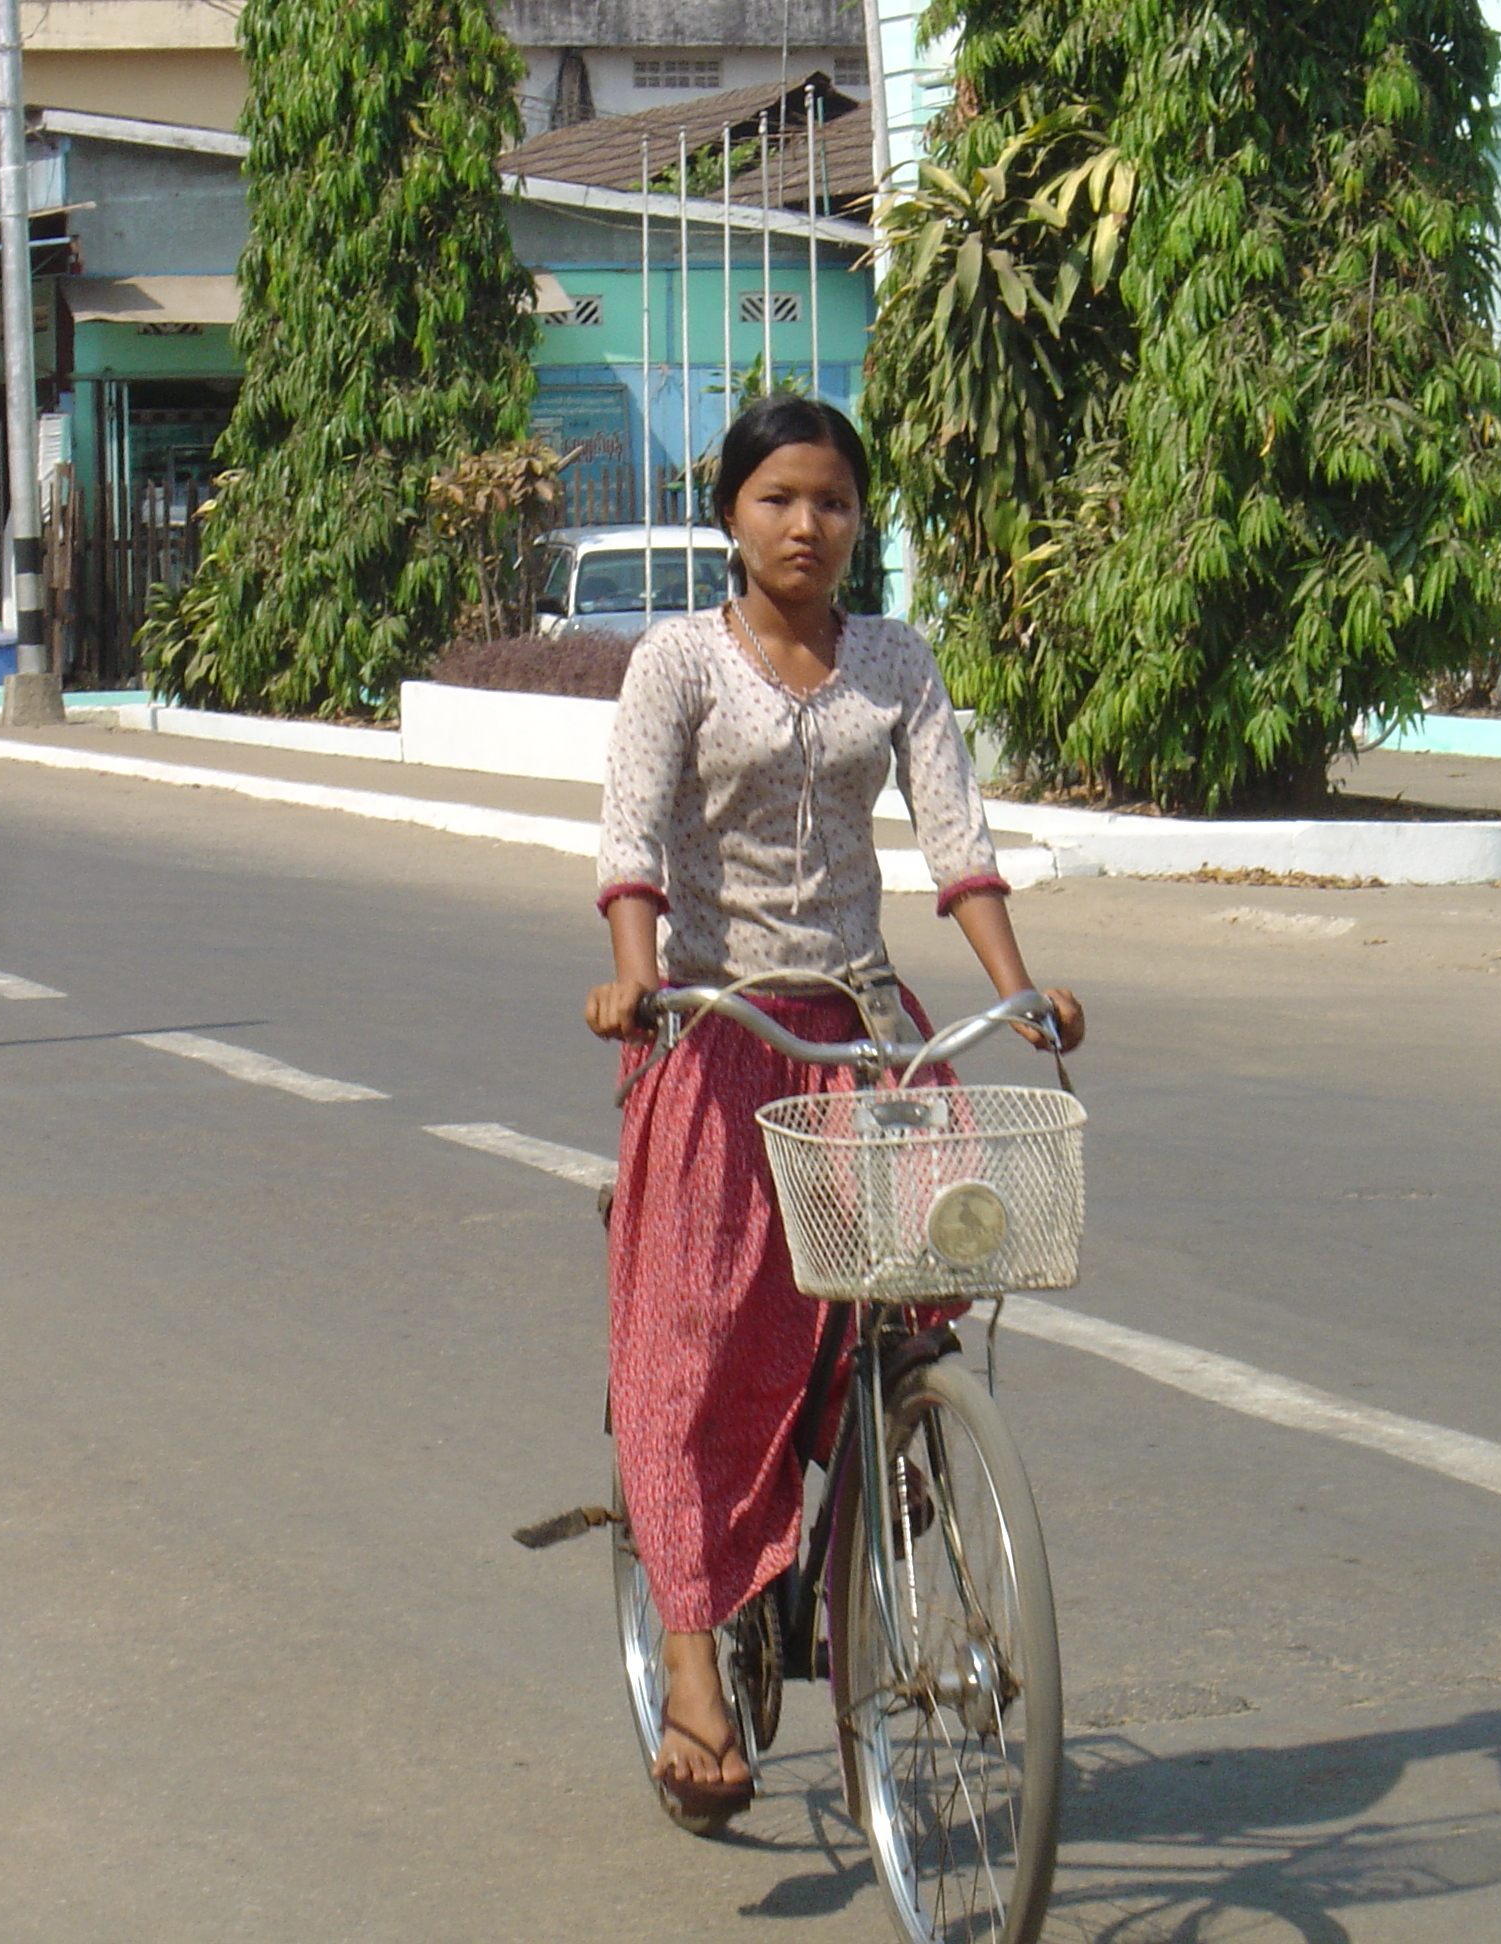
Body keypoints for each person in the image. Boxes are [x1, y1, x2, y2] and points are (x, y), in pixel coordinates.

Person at [584, 395, 1084, 1820]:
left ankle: (879, 1491)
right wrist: (637, 983)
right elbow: (631, 842)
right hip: (716, 1030)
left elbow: (959, 846)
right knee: (691, 1357)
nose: (809, 526)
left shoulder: (895, 660)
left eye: (836, 503)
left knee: (922, 1301)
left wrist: (1022, 985)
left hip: (864, 1034)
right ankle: (694, 1663)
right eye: (779, 500)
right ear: (731, 517)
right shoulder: (677, 661)